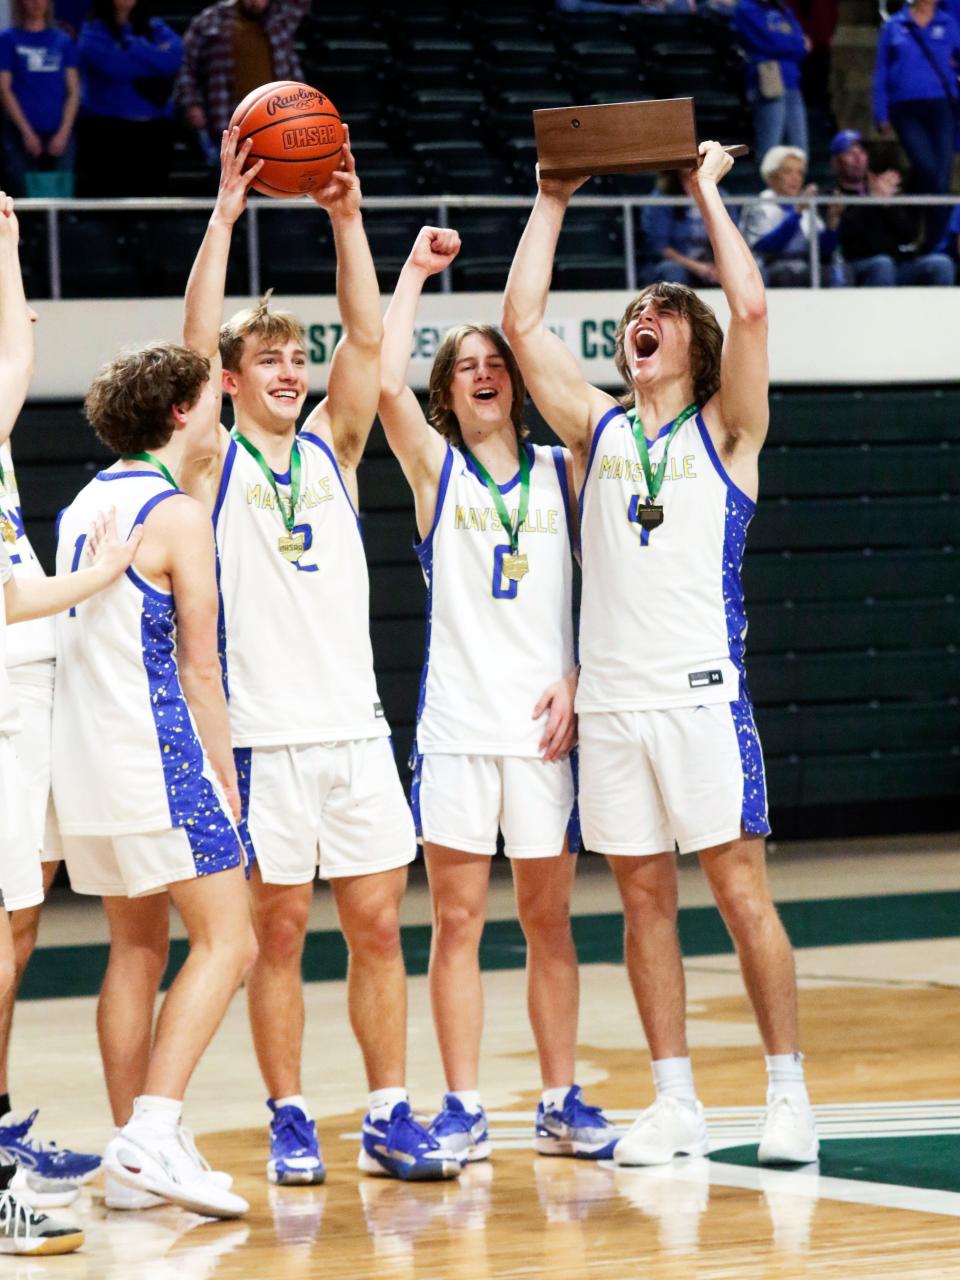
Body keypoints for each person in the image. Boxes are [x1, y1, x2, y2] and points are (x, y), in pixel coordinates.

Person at [501, 142, 819, 1169]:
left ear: (697, 345)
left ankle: (787, 1092)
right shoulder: (596, 432)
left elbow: (758, 312)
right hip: (615, 708)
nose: (648, 319)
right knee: (643, 899)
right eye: (643, 313)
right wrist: (550, 200)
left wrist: (705, 192)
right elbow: (520, 327)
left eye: (669, 312)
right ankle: (674, 1097)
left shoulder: (729, 430)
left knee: (739, 892)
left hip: (698, 698)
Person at [181, 129, 461, 1185]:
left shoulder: (337, 449)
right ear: (232, 379)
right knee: (280, 932)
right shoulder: (211, 459)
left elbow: (363, 331)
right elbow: (194, 334)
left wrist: (349, 216)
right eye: (271, 358)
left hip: (353, 728)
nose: (294, 368)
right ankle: (289, 1111)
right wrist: (223, 215)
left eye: (298, 357)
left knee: (381, 923)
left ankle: (389, 1111)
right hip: (262, 733)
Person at [378, 225, 616, 1165]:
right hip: (458, 734)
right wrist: (411, 277)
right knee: (458, 923)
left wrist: (582, 677)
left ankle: (560, 1099)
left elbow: (626, 590)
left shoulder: (568, 468)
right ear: (450, 393)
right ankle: (465, 1105)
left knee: (548, 920)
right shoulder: (436, 469)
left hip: (546, 734)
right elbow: (380, 380)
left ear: (517, 382)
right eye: (465, 364)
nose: (482, 372)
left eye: (495, 362)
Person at [53, 339, 258, 1219]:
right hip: (158, 754)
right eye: (213, 396)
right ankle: (153, 1127)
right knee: (231, 941)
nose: (221, 407)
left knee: (135, 949)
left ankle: (136, 1152)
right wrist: (228, 779)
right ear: (181, 412)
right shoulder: (174, 514)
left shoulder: (81, 502)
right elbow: (199, 667)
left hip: (86, 764)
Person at [0, 187, 103, 1196]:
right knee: (4, 923)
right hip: (5, 698)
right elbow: (16, 597)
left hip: (27, 700)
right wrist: (103, 574)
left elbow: (17, 354)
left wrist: (8, 256)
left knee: (21, 922)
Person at [873, 0, 960, 250]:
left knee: (941, 179)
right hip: (905, 108)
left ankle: (934, 245)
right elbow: (880, 71)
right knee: (927, 168)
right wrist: (881, 113)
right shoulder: (894, 25)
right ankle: (916, 228)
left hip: (941, 106)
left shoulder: (949, 23)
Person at [76, 0, 182, 196]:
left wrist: (132, 47)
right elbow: (112, 67)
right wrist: (152, 54)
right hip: (108, 129)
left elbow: (172, 59)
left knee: (153, 198)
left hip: (154, 128)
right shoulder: (92, 30)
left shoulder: (156, 26)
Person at [176, 0, 309, 156]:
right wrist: (191, 104)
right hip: (227, 122)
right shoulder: (210, 20)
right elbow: (185, 64)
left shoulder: (281, 18)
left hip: (279, 125)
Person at [831, 128, 956, 284]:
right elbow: (847, 238)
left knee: (941, 264)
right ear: (836, 162)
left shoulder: (884, 189)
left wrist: (889, 204)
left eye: (861, 152)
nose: (858, 158)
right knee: (883, 264)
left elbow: (908, 234)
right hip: (859, 265)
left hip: (897, 264)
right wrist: (872, 201)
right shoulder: (832, 195)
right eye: (850, 153)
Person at [0, 0, 79, 197]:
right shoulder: (8, 39)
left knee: (61, 194)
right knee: (23, 194)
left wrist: (64, 132)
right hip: (19, 132)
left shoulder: (62, 40)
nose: (36, 3)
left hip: (59, 130)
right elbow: (4, 88)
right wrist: (26, 132)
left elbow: (74, 90)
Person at [740, 145, 840, 285]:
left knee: (836, 271)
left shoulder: (805, 206)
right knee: (787, 274)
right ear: (771, 176)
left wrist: (831, 224)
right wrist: (797, 213)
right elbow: (764, 246)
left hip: (805, 268)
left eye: (800, 173)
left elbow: (821, 250)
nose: (795, 178)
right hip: (771, 268)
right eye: (788, 172)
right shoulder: (759, 204)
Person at [732, 0, 810, 158]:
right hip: (768, 82)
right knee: (770, 148)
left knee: (800, 148)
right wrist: (794, 44)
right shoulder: (746, 8)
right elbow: (768, 41)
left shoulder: (782, 9)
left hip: (792, 81)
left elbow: (802, 44)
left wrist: (793, 44)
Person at [639, 172, 721, 288]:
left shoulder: (719, 194)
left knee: (733, 269)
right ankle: (676, 305)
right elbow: (661, 249)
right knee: (673, 270)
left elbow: (731, 238)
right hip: (673, 263)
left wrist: (718, 267)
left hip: (710, 263)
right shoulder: (661, 198)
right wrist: (699, 267)